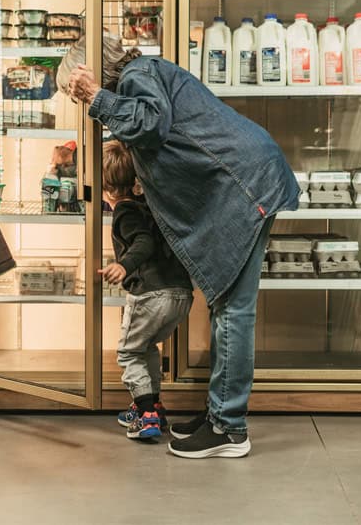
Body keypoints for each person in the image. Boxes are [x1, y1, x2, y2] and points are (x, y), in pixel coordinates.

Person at [57, 35, 300, 459]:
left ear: (91, 71)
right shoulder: (145, 75)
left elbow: (151, 124)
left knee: (234, 311)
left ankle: (229, 427)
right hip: (245, 183)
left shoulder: (137, 74)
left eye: (76, 91)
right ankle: (220, 415)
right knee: (229, 308)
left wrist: (97, 97)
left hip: (245, 186)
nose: (80, 101)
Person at [100, 139, 193, 440]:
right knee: (146, 348)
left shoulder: (124, 212)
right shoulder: (148, 206)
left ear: (107, 189)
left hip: (151, 294)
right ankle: (154, 405)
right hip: (180, 293)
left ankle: (147, 415)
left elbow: (144, 243)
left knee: (128, 352)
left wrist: (124, 266)